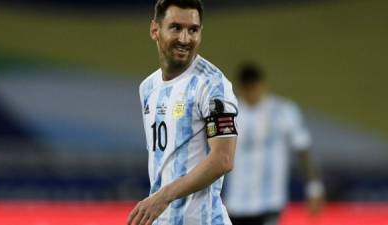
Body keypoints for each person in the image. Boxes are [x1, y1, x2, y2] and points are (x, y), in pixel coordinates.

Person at [127, 1, 239, 225]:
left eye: (193, 30)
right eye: (176, 28)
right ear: (155, 30)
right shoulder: (148, 88)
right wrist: (158, 201)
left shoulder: (213, 85)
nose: (185, 39)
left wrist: (163, 197)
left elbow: (223, 159)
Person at [224, 63, 324, 225]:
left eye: (254, 88)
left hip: (270, 201)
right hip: (236, 202)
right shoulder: (231, 113)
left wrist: (314, 187)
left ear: (262, 85)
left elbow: (303, 149)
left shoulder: (283, 111)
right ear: (240, 88)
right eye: (247, 89)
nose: (251, 94)